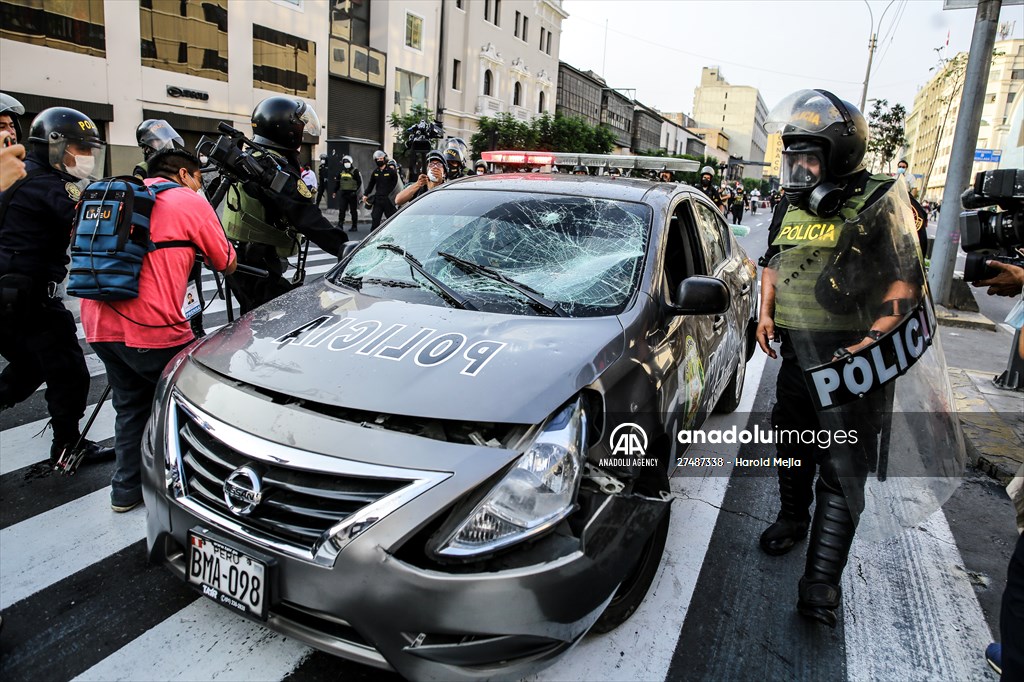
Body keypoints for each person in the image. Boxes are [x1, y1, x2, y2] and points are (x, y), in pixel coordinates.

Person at [755, 89, 942, 628]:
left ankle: (821, 583)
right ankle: (792, 518)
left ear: (839, 153)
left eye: (808, 156)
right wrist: (766, 313)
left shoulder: (882, 198)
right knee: (791, 444)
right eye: (793, 156)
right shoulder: (792, 200)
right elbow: (773, 260)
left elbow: (907, 276)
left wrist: (877, 334)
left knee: (841, 469)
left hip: (853, 362)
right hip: (796, 355)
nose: (798, 167)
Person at [81, 148, 236, 512]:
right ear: (184, 174)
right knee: (192, 408)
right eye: (199, 178)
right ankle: (196, 493)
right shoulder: (189, 202)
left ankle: (125, 490)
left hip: (99, 323)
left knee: (130, 405)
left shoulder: (119, 194)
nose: (200, 186)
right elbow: (226, 261)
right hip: (154, 328)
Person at [0, 107, 114, 465]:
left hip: (13, 296)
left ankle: (66, 441)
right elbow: (93, 223)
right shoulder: (47, 184)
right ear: (55, 145)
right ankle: (67, 444)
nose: (86, 157)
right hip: (28, 298)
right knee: (70, 372)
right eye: (80, 148)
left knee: (30, 368)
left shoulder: (24, 176)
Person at [221, 96, 346, 314]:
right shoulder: (272, 169)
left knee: (254, 323)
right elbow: (308, 218)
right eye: (300, 126)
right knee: (301, 317)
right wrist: (347, 249)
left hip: (241, 258)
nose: (302, 132)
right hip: (256, 262)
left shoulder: (252, 158)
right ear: (285, 130)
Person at [362, 149, 399, 229]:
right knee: (375, 219)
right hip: (378, 199)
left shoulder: (391, 172)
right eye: (377, 159)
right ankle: (372, 238)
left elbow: (395, 184)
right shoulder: (375, 172)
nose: (379, 160)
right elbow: (371, 184)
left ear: (384, 159)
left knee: (391, 219)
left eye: (381, 158)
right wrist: (365, 194)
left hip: (388, 200)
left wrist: (393, 196)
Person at [335, 154, 362, 232]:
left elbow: (359, 182)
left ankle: (354, 226)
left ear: (350, 162)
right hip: (343, 194)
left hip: (352, 194)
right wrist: (335, 191)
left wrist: (355, 192)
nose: (346, 163)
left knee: (353, 211)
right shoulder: (341, 171)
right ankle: (340, 225)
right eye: (344, 162)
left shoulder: (355, 171)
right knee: (342, 210)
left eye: (347, 162)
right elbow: (338, 182)